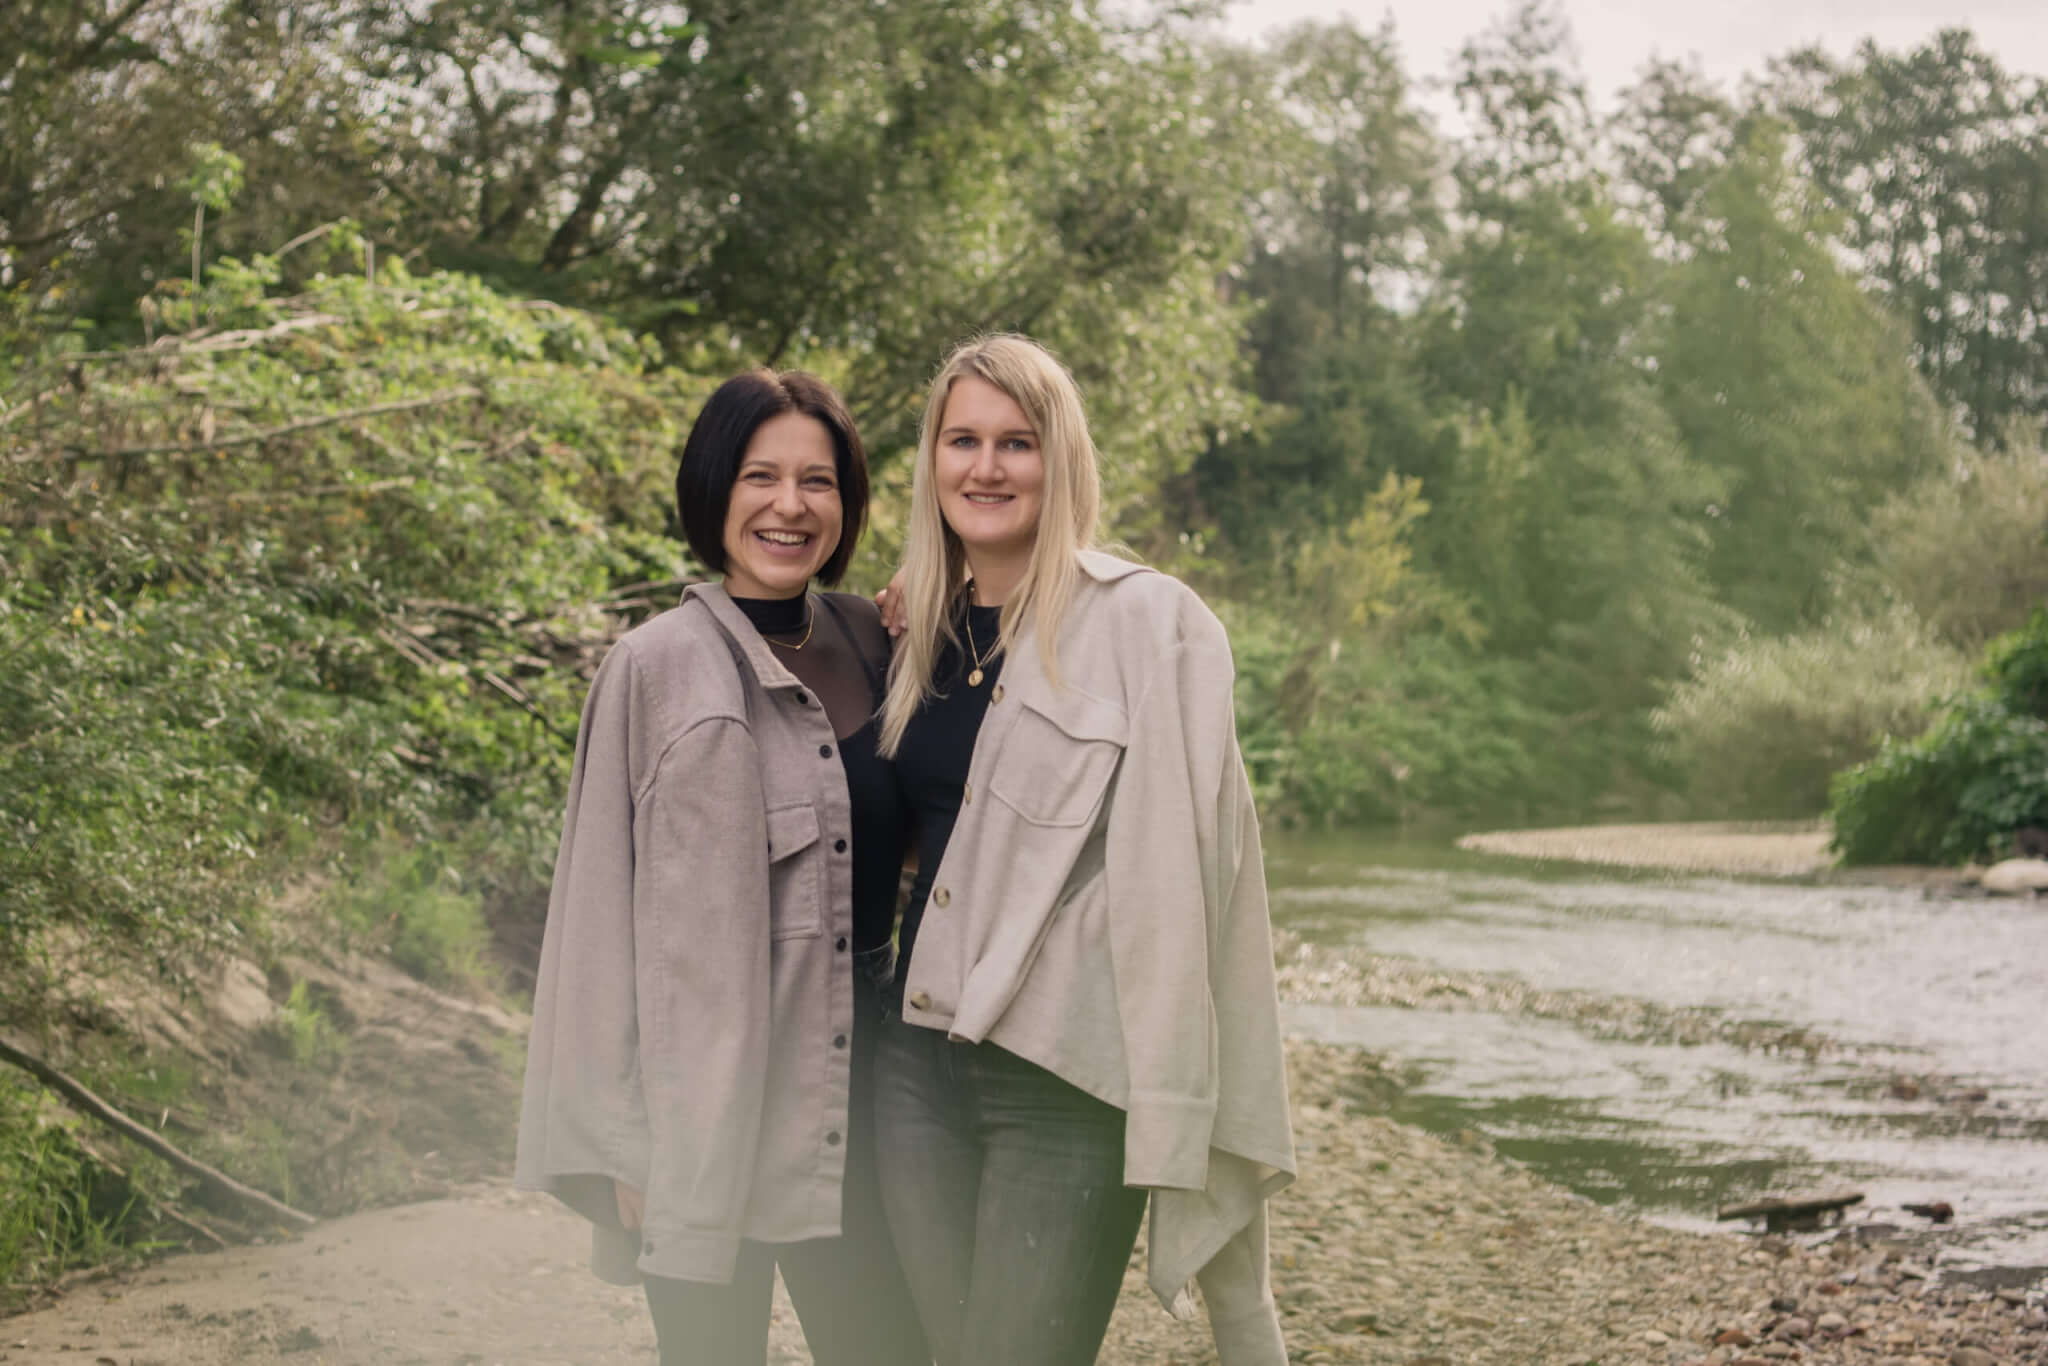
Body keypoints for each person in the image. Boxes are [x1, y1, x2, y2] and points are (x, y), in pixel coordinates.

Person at [870, 334, 1297, 1366]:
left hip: (1059, 1075)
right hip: (912, 1062)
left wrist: (1184, 1102)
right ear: (930, 461)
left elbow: (1199, 880)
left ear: (1060, 461)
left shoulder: (1151, 623)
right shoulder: (905, 633)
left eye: (1015, 442)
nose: (985, 467)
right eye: (961, 440)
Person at [514, 369, 928, 1366]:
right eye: (759, 476)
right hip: (703, 1105)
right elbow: (595, 917)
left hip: (869, 1096)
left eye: (817, 481)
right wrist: (619, 1137)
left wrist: (943, 603)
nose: (789, 505)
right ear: (713, 488)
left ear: (847, 500)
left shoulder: (879, 639)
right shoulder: (650, 669)